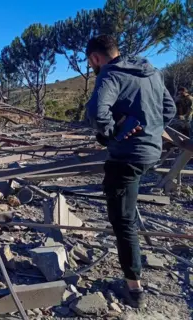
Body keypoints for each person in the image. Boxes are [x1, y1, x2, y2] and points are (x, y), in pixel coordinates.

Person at [85, 35, 176, 308]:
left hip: (126, 159)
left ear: (95, 58)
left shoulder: (110, 75)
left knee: (123, 222)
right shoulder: (151, 71)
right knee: (127, 207)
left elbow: (97, 115)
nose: (93, 67)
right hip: (152, 154)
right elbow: (168, 109)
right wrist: (149, 131)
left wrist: (114, 135)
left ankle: (134, 288)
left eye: (91, 63)